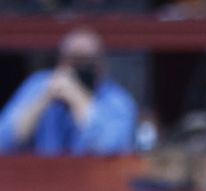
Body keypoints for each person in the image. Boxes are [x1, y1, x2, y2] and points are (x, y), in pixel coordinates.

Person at [0, 27, 137, 156]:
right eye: (75, 59)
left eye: (88, 61)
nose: (82, 67)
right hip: (39, 172)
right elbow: (3, 142)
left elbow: (110, 150)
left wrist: (78, 99)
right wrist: (43, 100)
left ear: (101, 65)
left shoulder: (116, 100)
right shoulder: (39, 84)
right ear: (61, 61)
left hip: (91, 173)